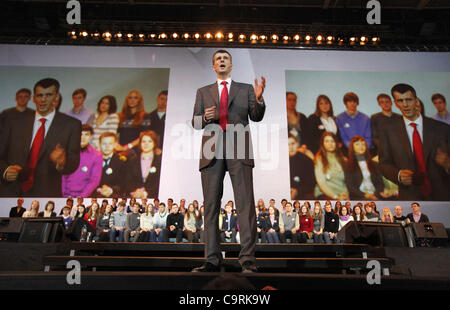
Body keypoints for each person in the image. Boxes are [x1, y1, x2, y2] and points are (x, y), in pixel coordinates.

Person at [191, 49, 266, 273]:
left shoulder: (246, 89)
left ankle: (247, 261)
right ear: (213, 66)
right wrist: (205, 117)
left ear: (231, 65)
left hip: (239, 148)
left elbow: (256, 115)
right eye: (218, 59)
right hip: (211, 150)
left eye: (225, 59)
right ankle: (212, 260)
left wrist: (259, 98)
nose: (222, 61)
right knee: (211, 208)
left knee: (245, 206)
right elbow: (195, 122)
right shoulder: (203, 91)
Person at [0, 78, 82, 197]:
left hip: (46, 196)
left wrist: (61, 163)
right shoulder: (14, 122)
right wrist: (4, 171)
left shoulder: (71, 125)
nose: (43, 100)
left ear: (56, 97)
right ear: (34, 98)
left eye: (48, 95)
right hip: (11, 193)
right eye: (39, 95)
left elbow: (73, 162)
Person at [379, 83, 450, 201]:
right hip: (409, 198)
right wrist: (398, 175)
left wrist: (448, 163)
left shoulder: (442, 129)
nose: (405, 105)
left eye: (409, 100)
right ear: (395, 103)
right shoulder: (387, 130)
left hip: (443, 196)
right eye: (400, 101)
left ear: (416, 101)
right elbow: (383, 164)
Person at [62, 124, 102, 198]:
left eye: (86, 134)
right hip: (65, 196)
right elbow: (63, 176)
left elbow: (94, 181)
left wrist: (82, 197)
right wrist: (65, 196)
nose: (83, 137)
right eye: (80, 134)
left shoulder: (97, 155)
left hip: (84, 198)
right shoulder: (67, 152)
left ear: (90, 137)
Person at [346, 136, 388, 200]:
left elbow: (380, 184)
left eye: (363, 144)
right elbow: (351, 187)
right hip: (359, 197)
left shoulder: (374, 164)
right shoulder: (348, 165)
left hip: (375, 196)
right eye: (357, 144)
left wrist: (374, 195)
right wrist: (366, 195)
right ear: (352, 147)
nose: (361, 146)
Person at [314, 132, 349, 200]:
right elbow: (321, 182)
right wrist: (335, 197)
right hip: (325, 194)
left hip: (342, 193)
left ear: (336, 143)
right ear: (323, 144)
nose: (330, 144)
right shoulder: (319, 159)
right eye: (327, 141)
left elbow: (347, 181)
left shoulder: (343, 159)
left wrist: (345, 194)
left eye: (332, 141)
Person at [127, 130, 162, 199]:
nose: (146, 144)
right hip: (134, 197)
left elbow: (158, 182)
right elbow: (128, 181)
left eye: (149, 141)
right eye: (144, 141)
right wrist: (135, 192)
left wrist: (146, 193)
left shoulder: (159, 161)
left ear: (154, 143)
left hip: (153, 198)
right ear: (140, 143)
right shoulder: (132, 160)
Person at [95, 132, 127, 198]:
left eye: (110, 143)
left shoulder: (121, 161)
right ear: (99, 145)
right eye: (104, 144)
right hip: (96, 195)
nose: (107, 146)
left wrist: (111, 190)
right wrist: (99, 190)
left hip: (114, 195)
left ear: (115, 145)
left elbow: (123, 183)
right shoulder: (94, 161)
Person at [288, 134, 316, 200]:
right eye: (288, 145)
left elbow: (311, 183)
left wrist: (297, 191)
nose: (290, 148)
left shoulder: (306, 160)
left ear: (297, 144)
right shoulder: (279, 162)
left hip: (302, 195)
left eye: (293, 144)